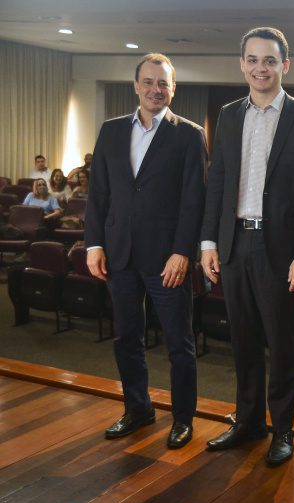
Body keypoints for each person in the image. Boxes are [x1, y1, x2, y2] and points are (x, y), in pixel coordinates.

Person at [200, 28, 294, 465]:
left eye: (269, 60)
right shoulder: (229, 114)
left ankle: (283, 430)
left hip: (281, 252)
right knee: (243, 341)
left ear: (284, 65)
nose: (261, 68)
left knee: (282, 343)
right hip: (234, 244)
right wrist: (208, 242)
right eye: (253, 60)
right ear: (242, 64)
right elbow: (217, 182)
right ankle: (249, 422)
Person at [84, 53, 207, 449]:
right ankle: (138, 409)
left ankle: (183, 419)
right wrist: (94, 243)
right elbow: (99, 194)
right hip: (119, 254)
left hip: (167, 259)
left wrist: (182, 252)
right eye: (149, 82)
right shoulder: (111, 131)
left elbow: (194, 200)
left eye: (164, 83)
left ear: (174, 89)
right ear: (136, 86)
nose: (157, 89)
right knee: (126, 338)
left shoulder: (188, 134)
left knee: (179, 344)